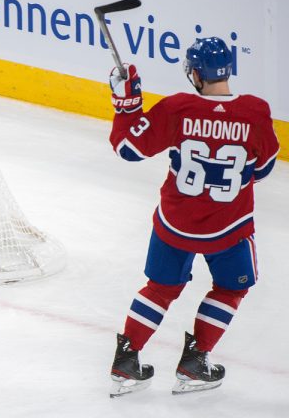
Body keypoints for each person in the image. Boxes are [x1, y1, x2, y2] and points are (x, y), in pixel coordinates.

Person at [107, 37, 279, 397]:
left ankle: (126, 362)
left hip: (175, 224)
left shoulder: (177, 108)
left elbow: (129, 149)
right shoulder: (255, 112)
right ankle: (195, 362)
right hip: (228, 228)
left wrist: (127, 105)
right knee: (233, 287)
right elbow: (263, 168)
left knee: (160, 289)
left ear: (195, 74)